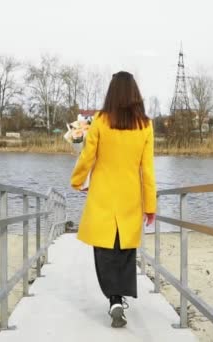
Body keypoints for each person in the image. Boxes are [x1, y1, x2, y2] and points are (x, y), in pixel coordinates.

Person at [70, 71, 157, 328]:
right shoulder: (145, 125)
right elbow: (148, 169)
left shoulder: (100, 120)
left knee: (105, 250)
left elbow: (87, 156)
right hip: (131, 196)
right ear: (135, 94)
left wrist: (77, 181)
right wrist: (150, 205)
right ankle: (121, 295)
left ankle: (114, 299)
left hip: (103, 196)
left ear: (111, 92)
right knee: (126, 251)